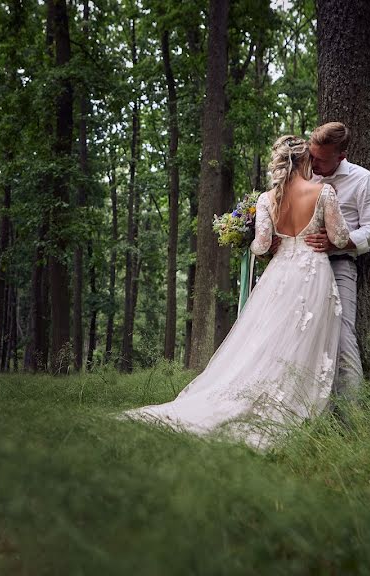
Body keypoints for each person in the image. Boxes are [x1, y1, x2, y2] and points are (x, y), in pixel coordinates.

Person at [122, 135, 351, 450]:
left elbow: (259, 246)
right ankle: (298, 404)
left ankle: (258, 397)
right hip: (314, 275)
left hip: (280, 275)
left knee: (268, 340)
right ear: (305, 161)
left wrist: (266, 241)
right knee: (304, 342)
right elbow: (340, 239)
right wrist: (322, 232)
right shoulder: (324, 192)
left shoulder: (266, 200)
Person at [305, 122, 370, 401]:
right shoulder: (306, 176)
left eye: (320, 159)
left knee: (342, 334)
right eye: (312, 155)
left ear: (341, 156)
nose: (313, 163)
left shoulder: (362, 179)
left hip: (340, 265)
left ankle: (350, 412)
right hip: (300, 268)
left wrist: (339, 241)